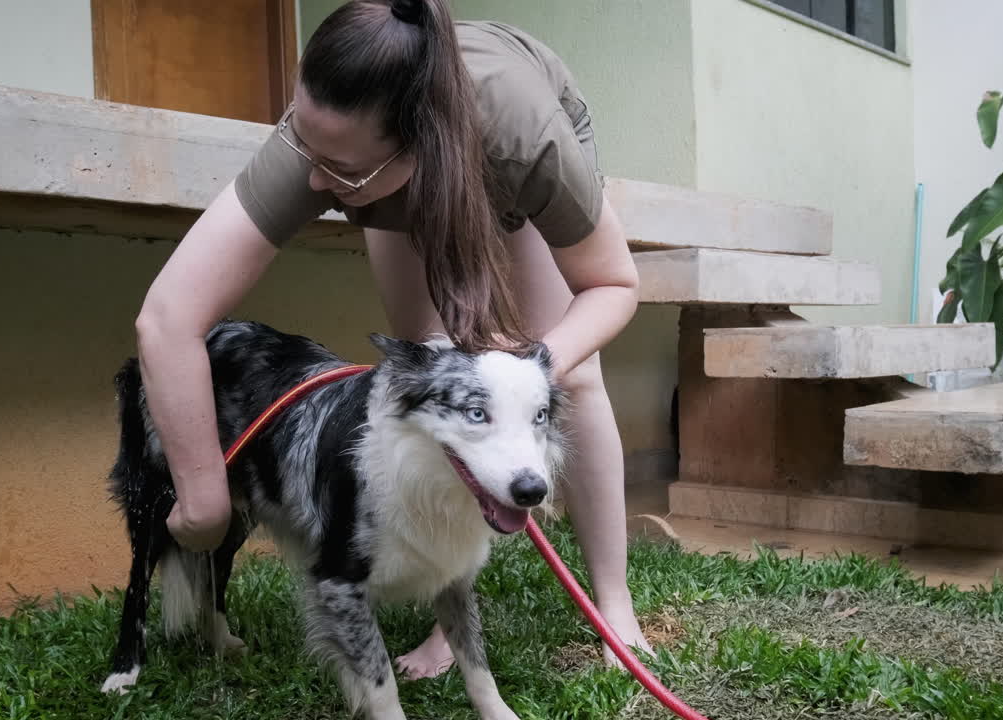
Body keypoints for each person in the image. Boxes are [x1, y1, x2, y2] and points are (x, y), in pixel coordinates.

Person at [134, 0, 651, 679]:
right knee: (432, 358)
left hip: (507, 164)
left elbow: (613, 285)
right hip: (405, 163)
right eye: (304, 148)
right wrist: (203, 501)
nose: (314, 184)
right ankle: (449, 610)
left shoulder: (525, 138)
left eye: (337, 169)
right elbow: (167, 319)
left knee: (573, 377)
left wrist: (535, 364)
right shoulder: (332, 137)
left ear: (416, 144)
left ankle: (614, 607)